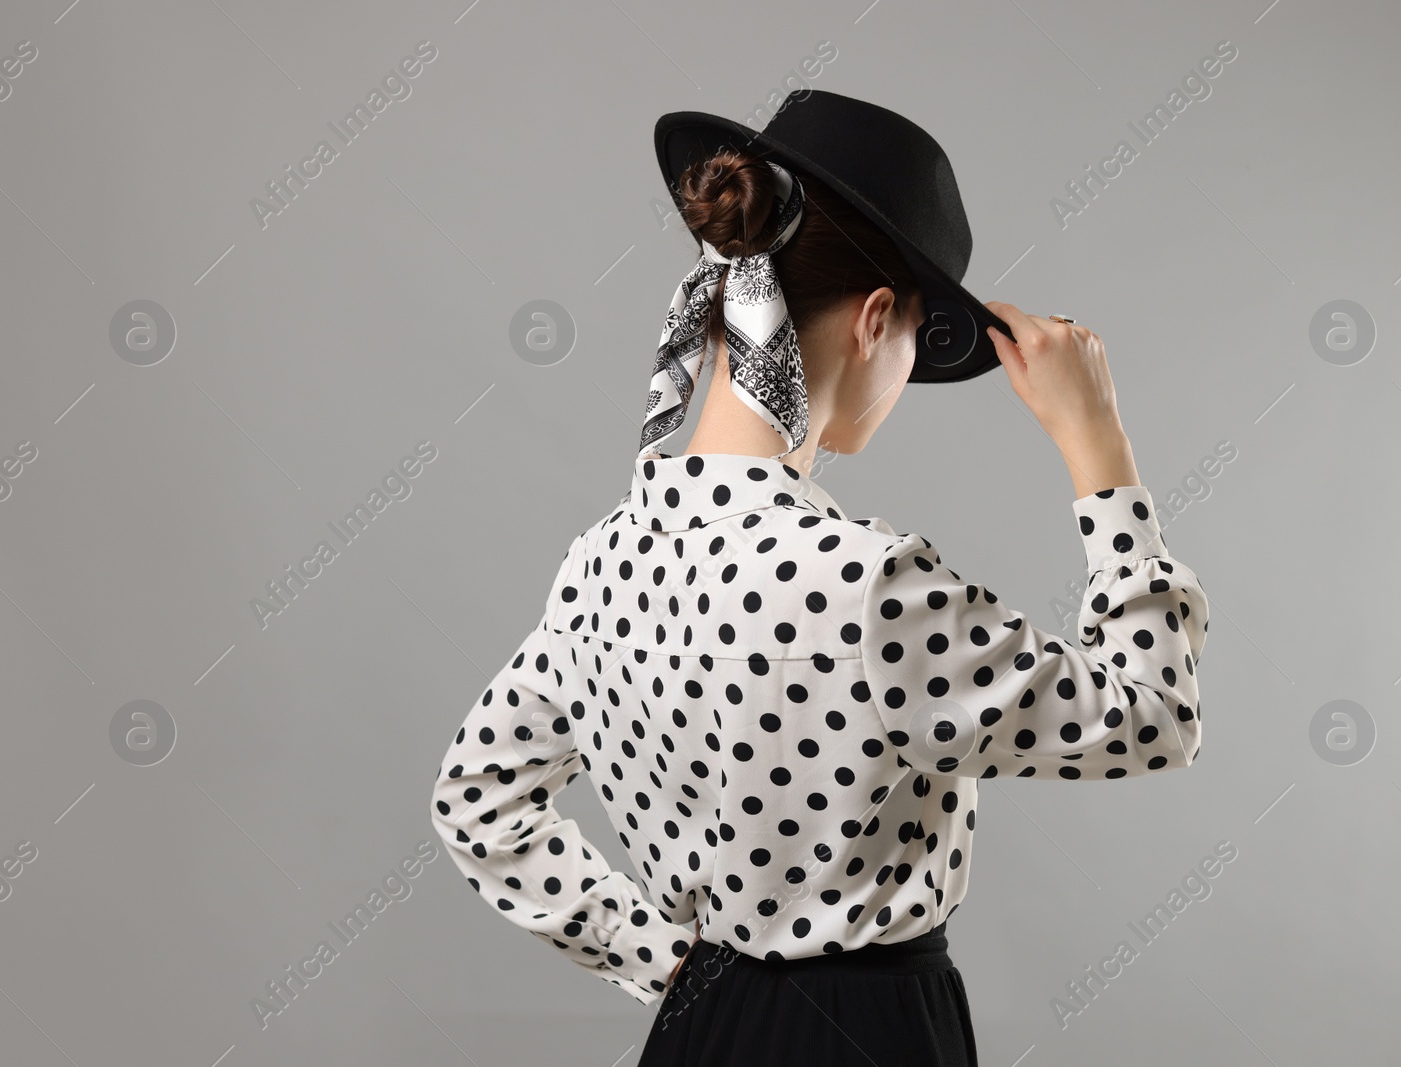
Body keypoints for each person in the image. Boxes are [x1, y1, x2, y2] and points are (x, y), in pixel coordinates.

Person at [430, 102, 1209, 1067]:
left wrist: (667, 964)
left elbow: (477, 798)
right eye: (924, 334)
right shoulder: (867, 582)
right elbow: (1153, 717)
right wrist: (1101, 449)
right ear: (878, 317)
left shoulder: (598, 561)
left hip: (697, 1032)